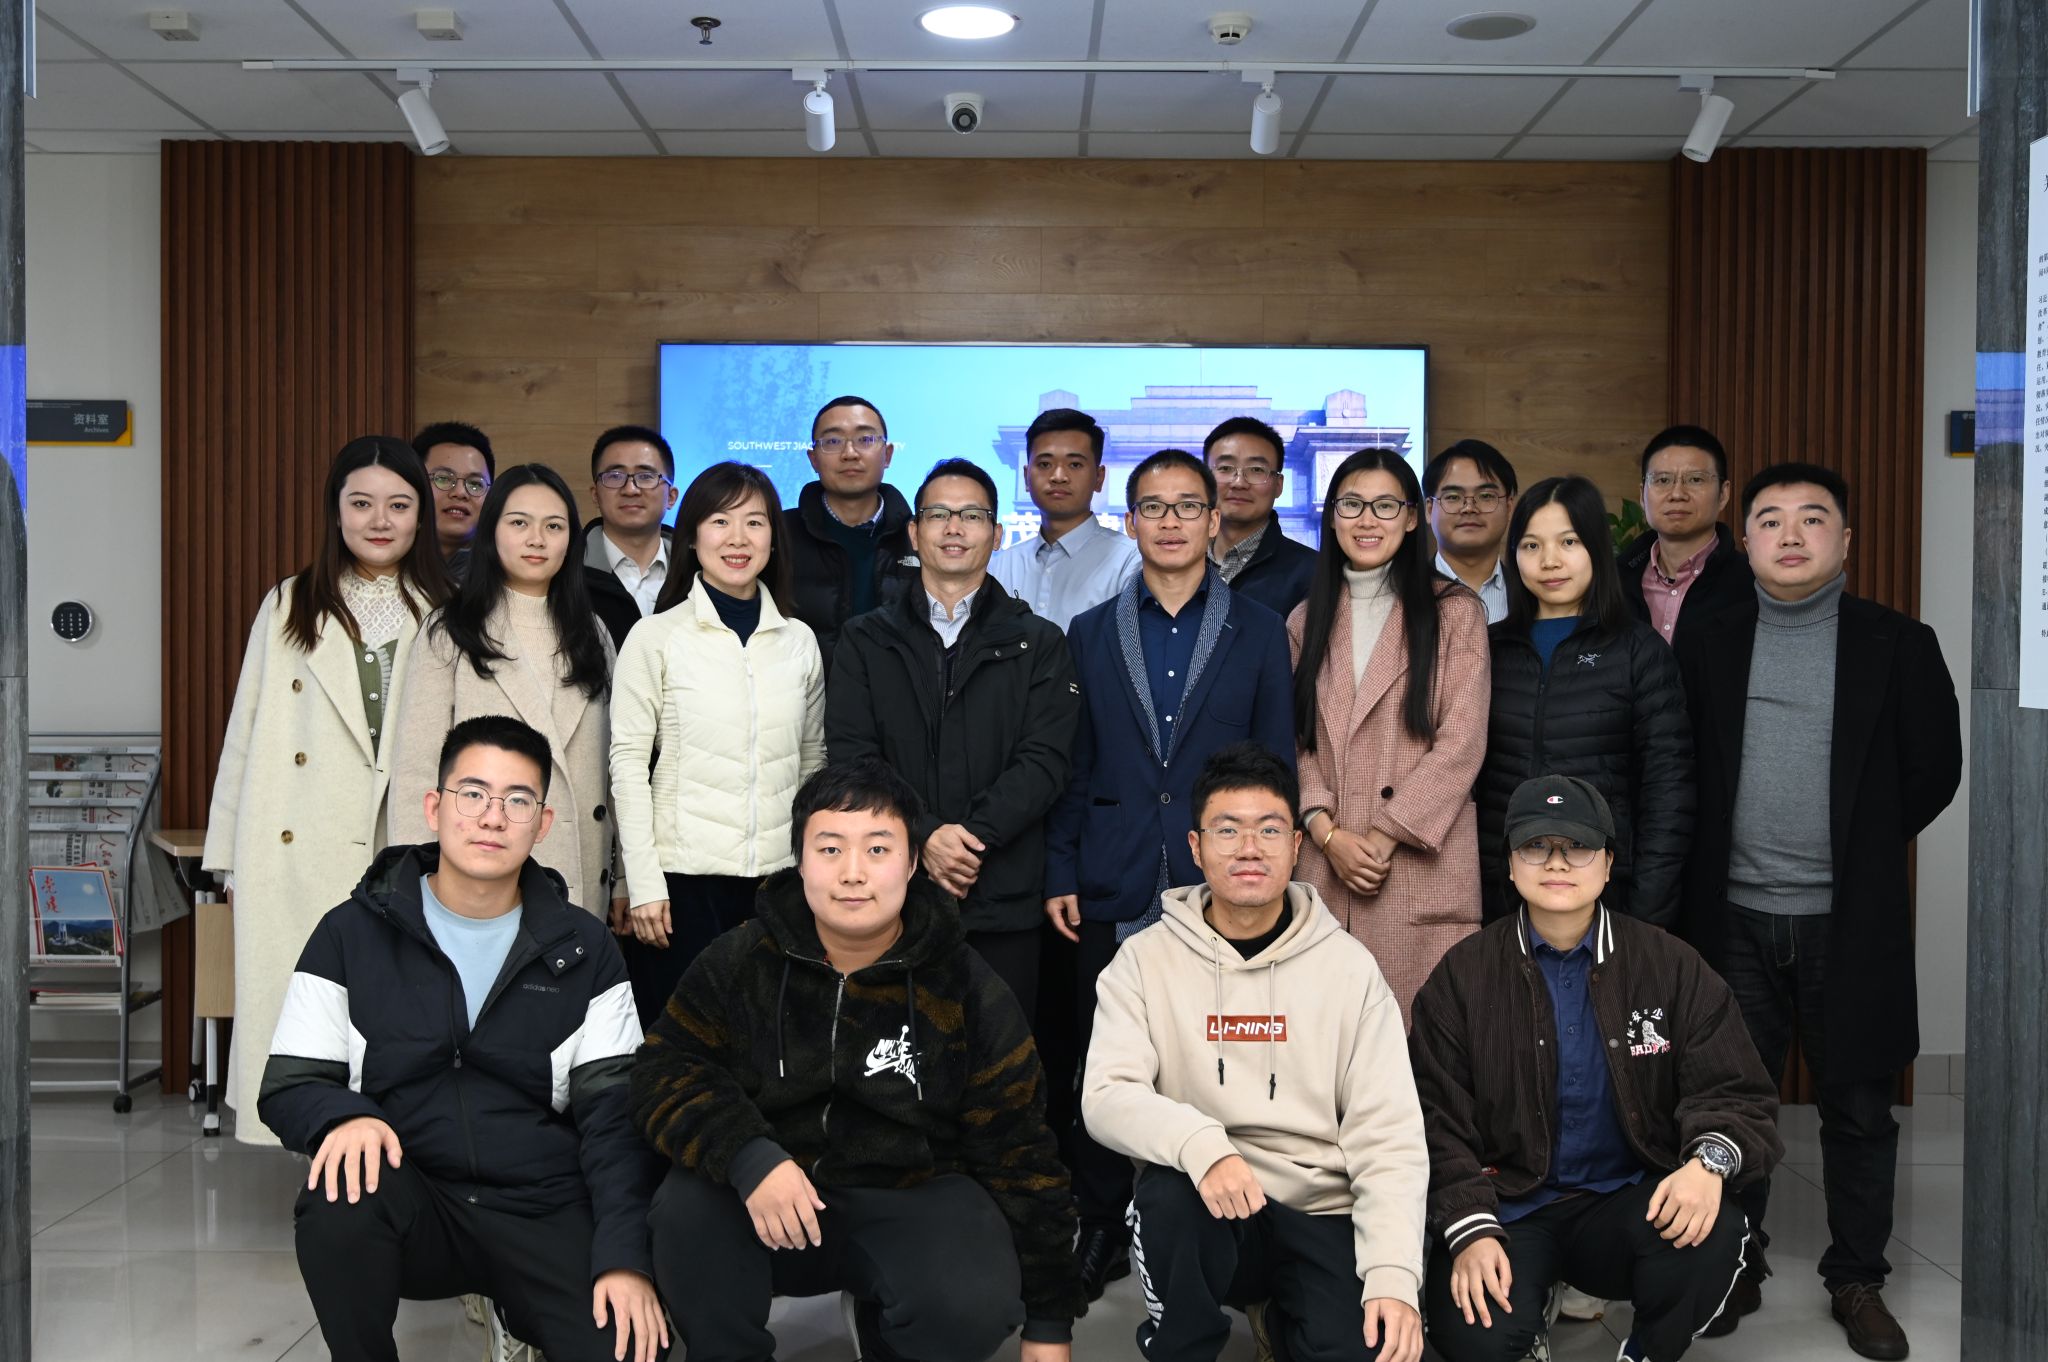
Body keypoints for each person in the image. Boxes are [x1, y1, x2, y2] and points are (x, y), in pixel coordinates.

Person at [632, 759, 1083, 1362]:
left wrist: (1050, 1323)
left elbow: (1020, 1148)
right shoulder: (742, 959)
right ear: (799, 860)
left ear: (913, 862)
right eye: (829, 849)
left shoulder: (964, 985)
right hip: (771, 1194)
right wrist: (748, 1156)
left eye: (877, 849)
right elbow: (664, 1069)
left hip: (911, 1195)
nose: (852, 873)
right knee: (684, 1214)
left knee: (972, 1301)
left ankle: (884, 1333)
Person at [260, 715, 664, 1362]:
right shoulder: (350, 934)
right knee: (338, 1196)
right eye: (472, 794)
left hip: (542, 1204)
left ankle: (518, 1313)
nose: (492, 818)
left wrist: (624, 1257)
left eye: (517, 801)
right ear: (434, 808)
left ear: (543, 823)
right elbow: (291, 1082)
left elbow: (614, 1119)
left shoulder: (585, 948)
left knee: (630, 1347)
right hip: (412, 1195)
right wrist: (343, 1116)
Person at [1676, 462, 1961, 1361]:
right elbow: (1680, 763)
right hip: (1731, 917)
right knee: (1733, 1105)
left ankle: (1856, 1277)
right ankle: (1737, 1262)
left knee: (1860, 1107)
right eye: (1770, 519)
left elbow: (1934, 769)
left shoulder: (1898, 643)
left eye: (1812, 518)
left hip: (1850, 920)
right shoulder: (1709, 639)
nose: (1791, 534)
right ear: (1745, 539)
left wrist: (1862, 843)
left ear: (1846, 540)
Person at [1409, 774, 1782, 1362]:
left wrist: (1706, 1165)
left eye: (1578, 846)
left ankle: (1645, 1351)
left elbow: (1736, 1089)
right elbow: (1435, 1119)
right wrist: (1469, 1227)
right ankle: (1530, 1309)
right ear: (1511, 865)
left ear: (1608, 864)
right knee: (1475, 1336)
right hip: (1509, 1206)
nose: (1557, 862)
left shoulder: (1668, 964)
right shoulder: (1462, 976)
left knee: (1713, 1231)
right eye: (1536, 846)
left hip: (1628, 1199)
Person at [1044, 448, 1296, 1300]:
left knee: (1215, 1053)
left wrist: (1266, 868)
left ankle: (1220, 1224)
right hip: (1113, 875)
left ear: (1214, 520)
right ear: (1130, 521)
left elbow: (1275, 765)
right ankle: (1101, 1221)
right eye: (1153, 507)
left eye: (1189, 506)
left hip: (1220, 881)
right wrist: (1062, 868)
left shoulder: (1259, 629)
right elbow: (1075, 765)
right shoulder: (1090, 632)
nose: (1172, 521)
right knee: (1106, 1059)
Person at [1083, 743, 1428, 1362]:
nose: (1249, 848)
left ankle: (1283, 1320)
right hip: (1212, 1200)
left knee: (1367, 1350)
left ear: (1296, 846)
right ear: (1195, 848)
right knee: (1165, 1198)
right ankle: (1184, 1347)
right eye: (1228, 830)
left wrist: (1393, 1275)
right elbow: (1107, 1096)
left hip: (1321, 1210)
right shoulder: (1143, 961)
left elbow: (1389, 1134)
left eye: (1269, 830)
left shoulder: (1348, 968)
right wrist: (1201, 1146)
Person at [203, 435, 450, 1145]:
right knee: (305, 1006)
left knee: (397, 1009)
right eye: (361, 503)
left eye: (399, 504)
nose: (380, 520)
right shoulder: (290, 602)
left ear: (421, 514)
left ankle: (390, 1148)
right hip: (293, 842)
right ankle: (317, 1143)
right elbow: (246, 729)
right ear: (335, 511)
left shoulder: (449, 607)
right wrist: (227, 857)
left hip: (401, 836)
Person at [827, 458, 1080, 1019]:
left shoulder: (1039, 642)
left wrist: (968, 840)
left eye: (972, 515)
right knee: (890, 1056)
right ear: (914, 532)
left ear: (997, 533)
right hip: (892, 891)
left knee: (1001, 1055)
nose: (954, 527)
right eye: (939, 514)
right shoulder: (865, 640)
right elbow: (853, 758)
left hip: (1002, 892)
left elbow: (1045, 762)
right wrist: (927, 834)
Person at [609, 460, 826, 1029]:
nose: (738, 538)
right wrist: (643, 883)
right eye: (720, 521)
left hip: (778, 882)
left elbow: (813, 763)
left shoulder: (799, 641)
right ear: (691, 537)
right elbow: (627, 765)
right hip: (682, 885)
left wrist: (811, 870)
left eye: (755, 522)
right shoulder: (655, 637)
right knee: (684, 1044)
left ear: (773, 539)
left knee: (771, 1042)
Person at [1287, 448, 1490, 1026]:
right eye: (1352, 504)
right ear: (1331, 517)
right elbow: (1295, 740)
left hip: (1417, 867)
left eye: (1385, 505)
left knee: (1422, 1049)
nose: (1367, 520)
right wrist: (1326, 833)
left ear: (1411, 517)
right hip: (1326, 867)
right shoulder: (1304, 620)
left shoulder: (1455, 612)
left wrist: (1381, 836)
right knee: (1325, 1048)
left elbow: (1462, 744)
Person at [388, 464, 617, 919]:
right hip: (474, 874)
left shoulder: (594, 634)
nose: (537, 539)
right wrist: (415, 884)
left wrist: (625, 878)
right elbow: (417, 769)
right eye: (519, 523)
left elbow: (615, 770)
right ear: (492, 532)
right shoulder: (451, 630)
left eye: (554, 526)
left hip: (582, 867)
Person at [1474, 475, 1693, 925]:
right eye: (1531, 545)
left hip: (1609, 892)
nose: (1549, 561)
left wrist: (1646, 914)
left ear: (1596, 547)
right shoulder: (1486, 648)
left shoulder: (1639, 651)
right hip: (1504, 889)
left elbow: (1668, 792)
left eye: (1569, 542)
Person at [782, 395, 921, 667]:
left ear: (888, 454)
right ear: (813, 458)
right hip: (805, 692)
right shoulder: (779, 534)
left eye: (865, 439)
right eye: (833, 441)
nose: (850, 453)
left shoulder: (920, 537)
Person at [990, 407, 1140, 632]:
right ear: (1026, 476)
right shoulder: (999, 566)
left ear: (1099, 478)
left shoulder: (1129, 561)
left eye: (1075, 465)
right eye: (1044, 464)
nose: (1058, 476)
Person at [1618, 425, 1755, 651]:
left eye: (1695, 480)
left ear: (1723, 494)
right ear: (1642, 495)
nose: (1677, 494)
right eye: (1663, 480)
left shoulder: (1752, 584)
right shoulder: (1611, 584)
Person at [1203, 416, 1316, 620]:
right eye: (1225, 468)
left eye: (1256, 470)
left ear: (1278, 485)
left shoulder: (1314, 573)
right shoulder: (1174, 561)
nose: (1239, 483)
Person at [584, 423, 679, 646]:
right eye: (615, 476)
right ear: (595, 495)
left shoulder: (698, 572)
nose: (630, 489)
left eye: (646, 476)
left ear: (671, 497)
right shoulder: (567, 571)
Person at [1422, 440, 1518, 625]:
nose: (1469, 508)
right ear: (1429, 509)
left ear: (1509, 508)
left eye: (1486, 496)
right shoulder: (1402, 594)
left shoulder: (1532, 595)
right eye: (1453, 497)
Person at [412, 420, 495, 575]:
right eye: (443, 478)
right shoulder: (382, 569)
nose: (460, 493)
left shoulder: (499, 576)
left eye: (475, 484)